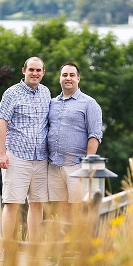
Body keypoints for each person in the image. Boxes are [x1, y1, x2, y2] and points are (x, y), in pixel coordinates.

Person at [0, 56, 50, 242]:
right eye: (31, 70)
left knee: (37, 204)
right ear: (24, 71)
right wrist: (1, 153)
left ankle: (34, 246)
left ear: (43, 73)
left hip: (41, 158)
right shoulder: (11, 93)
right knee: (12, 203)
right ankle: (8, 247)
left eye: (38, 70)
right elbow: (1, 124)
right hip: (16, 156)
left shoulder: (46, 93)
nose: (34, 73)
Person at [47, 61, 104, 220]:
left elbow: (95, 134)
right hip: (55, 165)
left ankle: (81, 242)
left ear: (78, 78)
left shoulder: (89, 103)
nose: (68, 78)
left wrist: (88, 164)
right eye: (64, 75)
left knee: (79, 208)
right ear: (60, 78)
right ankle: (67, 243)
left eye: (72, 75)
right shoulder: (52, 103)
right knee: (63, 209)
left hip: (77, 165)